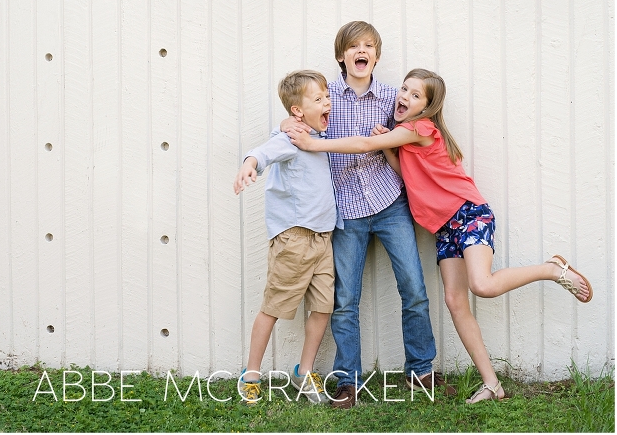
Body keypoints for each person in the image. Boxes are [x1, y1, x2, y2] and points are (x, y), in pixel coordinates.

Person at [287, 67, 593, 404]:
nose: (404, 97)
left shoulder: (419, 128)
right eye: (405, 89)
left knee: (483, 285)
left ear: (427, 107)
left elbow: (365, 143)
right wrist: (386, 150)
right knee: (454, 301)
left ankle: (550, 269)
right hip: (444, 227)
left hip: (468, 213)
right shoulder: (400, 130)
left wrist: (314, 144)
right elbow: (411, 177)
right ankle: (493, 384)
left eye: (415, 95)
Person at [281, 22, 453, 409]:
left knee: (414, 289)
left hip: (390, 203)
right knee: (344, 300)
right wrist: (285, 124)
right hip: (345, 210)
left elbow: (418, 139)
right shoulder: (327, 98)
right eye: (354, 46)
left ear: (377, 55)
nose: (362, 51)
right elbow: (295, 121)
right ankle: (347, 381)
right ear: (342, 55)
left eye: (369, 46)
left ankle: (421, 371)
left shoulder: (394, 98)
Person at [233, 69, 339, 405]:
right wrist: (249, 164)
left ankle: (303, 372)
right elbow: (263, 152)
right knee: (274, 307)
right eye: (318, 99)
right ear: (297, 111)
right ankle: (251, 374)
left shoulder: (319, 136)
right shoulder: (290, 138)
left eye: (327, 96)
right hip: (294, 239)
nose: (327, 102)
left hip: (323, 240)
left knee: (323, 307)